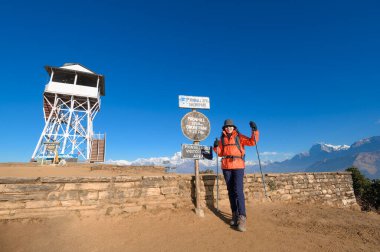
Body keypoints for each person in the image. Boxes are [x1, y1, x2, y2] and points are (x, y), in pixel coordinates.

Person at [213, 119, 259, 232]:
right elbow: (220, 153)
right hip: (226, 167)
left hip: (238, 166)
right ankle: (234, 214)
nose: (228, 128)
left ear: (234, 127)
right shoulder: (222, 139)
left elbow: (252, 142)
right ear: (224, 128)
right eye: (226, 127)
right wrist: (215, 147)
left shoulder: (239, 137)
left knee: (238, 191)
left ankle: (242, 217)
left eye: (230, 126)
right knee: (231, 191)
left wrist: (255, 130)